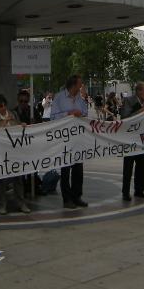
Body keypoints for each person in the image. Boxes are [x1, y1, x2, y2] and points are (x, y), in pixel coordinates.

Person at [51, 75, 89, 209]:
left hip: (78, 138)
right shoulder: (59, 97)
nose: (81, 86)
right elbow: (53, 117)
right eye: (80, 84)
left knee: (78, 168)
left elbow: (85, 112)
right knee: (66, 169)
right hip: (65, 138)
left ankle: (77, 196)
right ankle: (66, 199)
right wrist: (68, 114)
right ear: (73, 85)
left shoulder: (80, 98)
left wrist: (82, 113)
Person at [0, 94, 31, 214]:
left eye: (4, 105)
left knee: (18, 178)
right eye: (0, 106)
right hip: (2, 151)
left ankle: (21, 203)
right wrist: (3, 123)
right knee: (2, 180)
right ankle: (2, 204)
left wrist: (21, 125)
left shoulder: (13, 114)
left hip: (14, 150)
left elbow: (17, 127)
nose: (3, 108)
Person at [120, 81, 144, 201]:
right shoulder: (128, 101)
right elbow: (124, 118)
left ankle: (139, 190)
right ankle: (125, 192)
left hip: (142, 139)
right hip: (130, 139)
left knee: (141, 166)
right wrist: (139, 112)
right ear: (138, 91)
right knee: (128, 167)